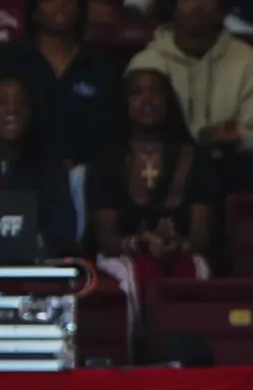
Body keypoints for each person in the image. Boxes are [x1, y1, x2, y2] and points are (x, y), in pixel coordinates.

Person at [90, 69, 218, 330]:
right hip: (122, 257)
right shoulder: (105, 159)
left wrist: (175, 246)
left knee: (197, 270)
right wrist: (140, 242)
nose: (147, 100)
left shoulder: (197, 159)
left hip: (179, 253)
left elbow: (201, 238)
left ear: (169, 101)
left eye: (156, 92)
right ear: (123, 102)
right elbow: (106, 240)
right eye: (137, 93)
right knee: (129, 279)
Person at [126, 0, 253, 192]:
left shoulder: (250, 63)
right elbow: (130, 134)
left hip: (229, 169)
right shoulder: (146, 63)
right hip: (164, 165)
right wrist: (201, 138)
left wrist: (236, 138)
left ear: (222, 8)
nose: (197, 4)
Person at [0, 0, 119, 168]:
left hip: (88, 174)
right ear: (34, 11)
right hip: (24, 174)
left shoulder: (99, 66)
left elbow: (113, 130)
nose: (60, 4)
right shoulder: (11, 59)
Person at [0, 71, 79, 257]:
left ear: (31, 111)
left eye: (21, 102)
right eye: (1, 102)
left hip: (31, 269)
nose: (11, 109)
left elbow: (62, 234)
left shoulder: (49, 165)